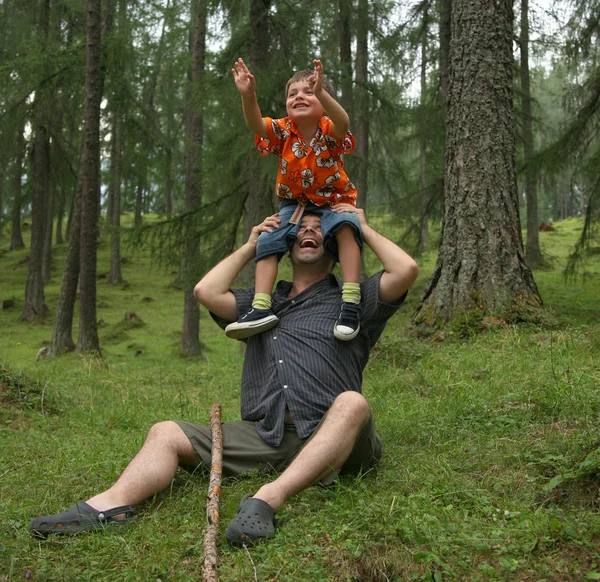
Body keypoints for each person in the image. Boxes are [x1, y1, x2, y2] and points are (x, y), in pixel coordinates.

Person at [29, 208, 418, 546]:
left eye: (321, 226)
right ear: (286, 243)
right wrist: (253, 244)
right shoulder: (261, 304)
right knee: (165, 432)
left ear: (335, 244)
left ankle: (267, 500)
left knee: (353, 403)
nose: (309, 231)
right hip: (266, 435)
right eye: (301, 227)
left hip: (337, 439)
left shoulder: (355, 300)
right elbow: (206, 290)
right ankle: (107, 506)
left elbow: (405, 269)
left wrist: (358, 227)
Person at [227, 57, 364, 342]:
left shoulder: (329, 130)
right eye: (293, 94)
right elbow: (256, 125)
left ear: (323, 101)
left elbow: (344, 121)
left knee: (348, 225)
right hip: (294, 204)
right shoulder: (283, 131)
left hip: (333, 199)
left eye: (309, 91)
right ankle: (261, 307)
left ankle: (350, 302)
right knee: (268, 237)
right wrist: (248, 96)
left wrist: (322, 92)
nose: (299, 96)